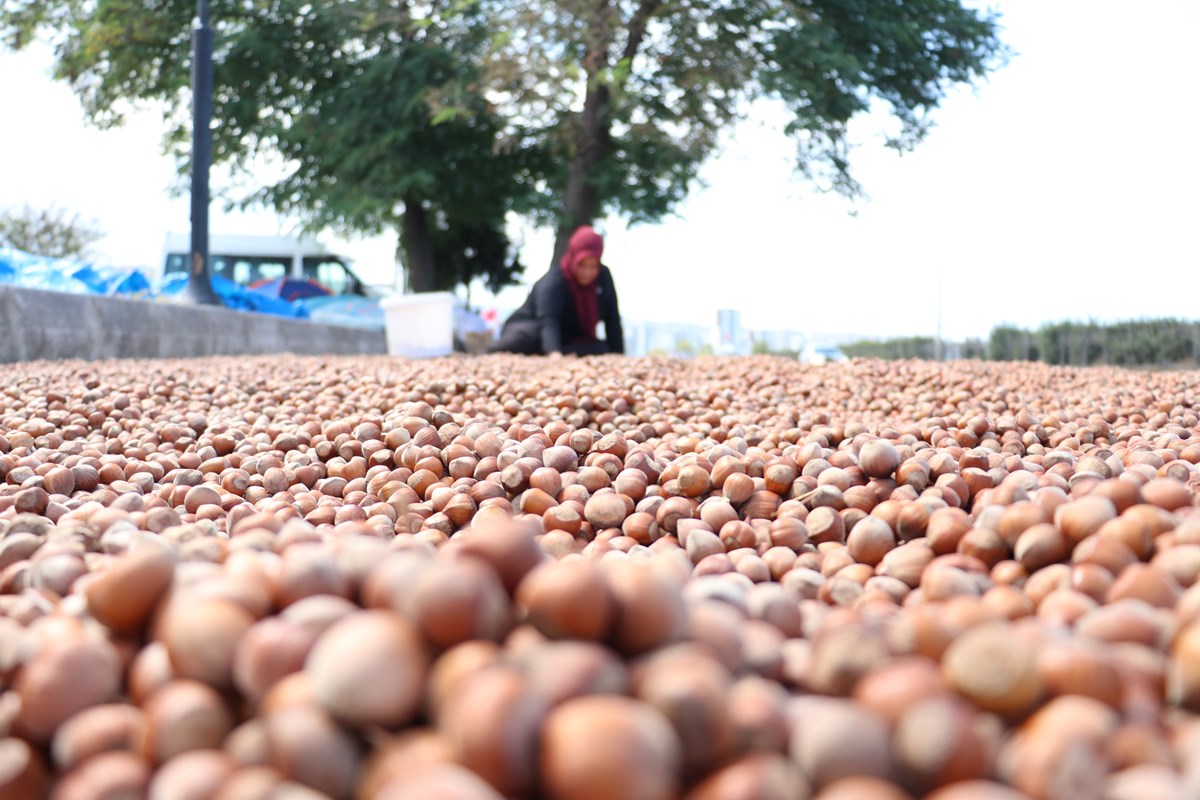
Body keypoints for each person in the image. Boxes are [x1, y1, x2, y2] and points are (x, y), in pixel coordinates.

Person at [490, 225, 625, 356]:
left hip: (567, 337)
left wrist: (618, 355)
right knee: (527, 337)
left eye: (593, 266)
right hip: (533, 328)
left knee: (601, 349)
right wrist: (554, 355)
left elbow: (612, 319)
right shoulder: (554, 281)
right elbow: (549, 320)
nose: (587, 272)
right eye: (582, 265)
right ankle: (491, 352)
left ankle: (548, 352)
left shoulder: (604, 276)